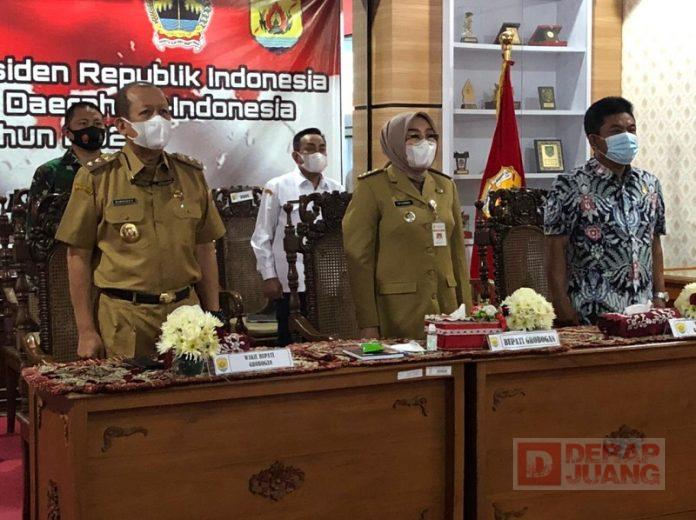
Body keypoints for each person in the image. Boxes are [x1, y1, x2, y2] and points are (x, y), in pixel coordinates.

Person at [55, 81, 226, 359]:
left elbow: (205, 247)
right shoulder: (98, 178)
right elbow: (78, 256)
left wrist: (214, 313)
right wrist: (86, 330)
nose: (158, 120)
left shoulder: (191, 175)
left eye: (164, 112)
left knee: (194, 387)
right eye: (146, 113)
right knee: (127, 388)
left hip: (187, 317)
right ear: (122, 126)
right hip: (125, 319)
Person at [343, 112, 472, 340]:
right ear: (394, 142)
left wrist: (467, 311)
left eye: (430, 136)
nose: (425, 143)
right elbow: (359, 260)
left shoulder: (445, 186)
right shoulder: (373, 186)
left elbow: (458, 255)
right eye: (414, 136)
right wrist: (368, 322)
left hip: (448, 310)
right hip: (397, 312)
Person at [545, 96, 667, 325]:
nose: (627, 137)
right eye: (617, 131)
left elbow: (655, 244)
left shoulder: (650, 184)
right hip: (591, 316)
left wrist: (659, 296)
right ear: (594, 140)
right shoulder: (568, 185)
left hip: (644, 314)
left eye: (632, 130)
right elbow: (555, 250)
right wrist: (563, 309)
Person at [251, 128, 342, 347]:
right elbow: (262, 236)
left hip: (328, 282)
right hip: (290, 282)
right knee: (291, 343)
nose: (318, 153)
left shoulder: (336, 189)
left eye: (322, 149)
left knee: (329, 342)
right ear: (296, 155)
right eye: (310, 149)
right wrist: (269, 276)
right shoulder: (277, 186)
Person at [27, 101, 106, 233]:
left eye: (98, 123)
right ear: (67, 132)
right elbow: (34, 229)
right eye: (83, 123)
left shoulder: (117, 169)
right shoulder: (49, 172)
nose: (92, 128)